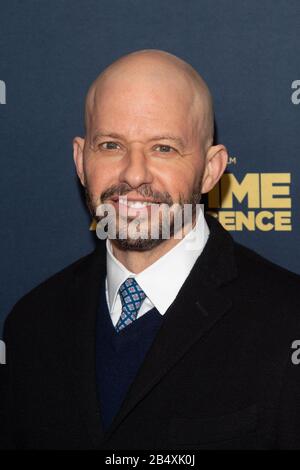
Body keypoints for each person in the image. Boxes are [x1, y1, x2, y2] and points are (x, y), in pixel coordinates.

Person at [1, 49, 300, 450]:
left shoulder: (288, 322)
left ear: (211, 169)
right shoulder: (31, 323)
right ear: (80, 159)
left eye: (163, 148)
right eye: (110, 145)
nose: (134, 173)